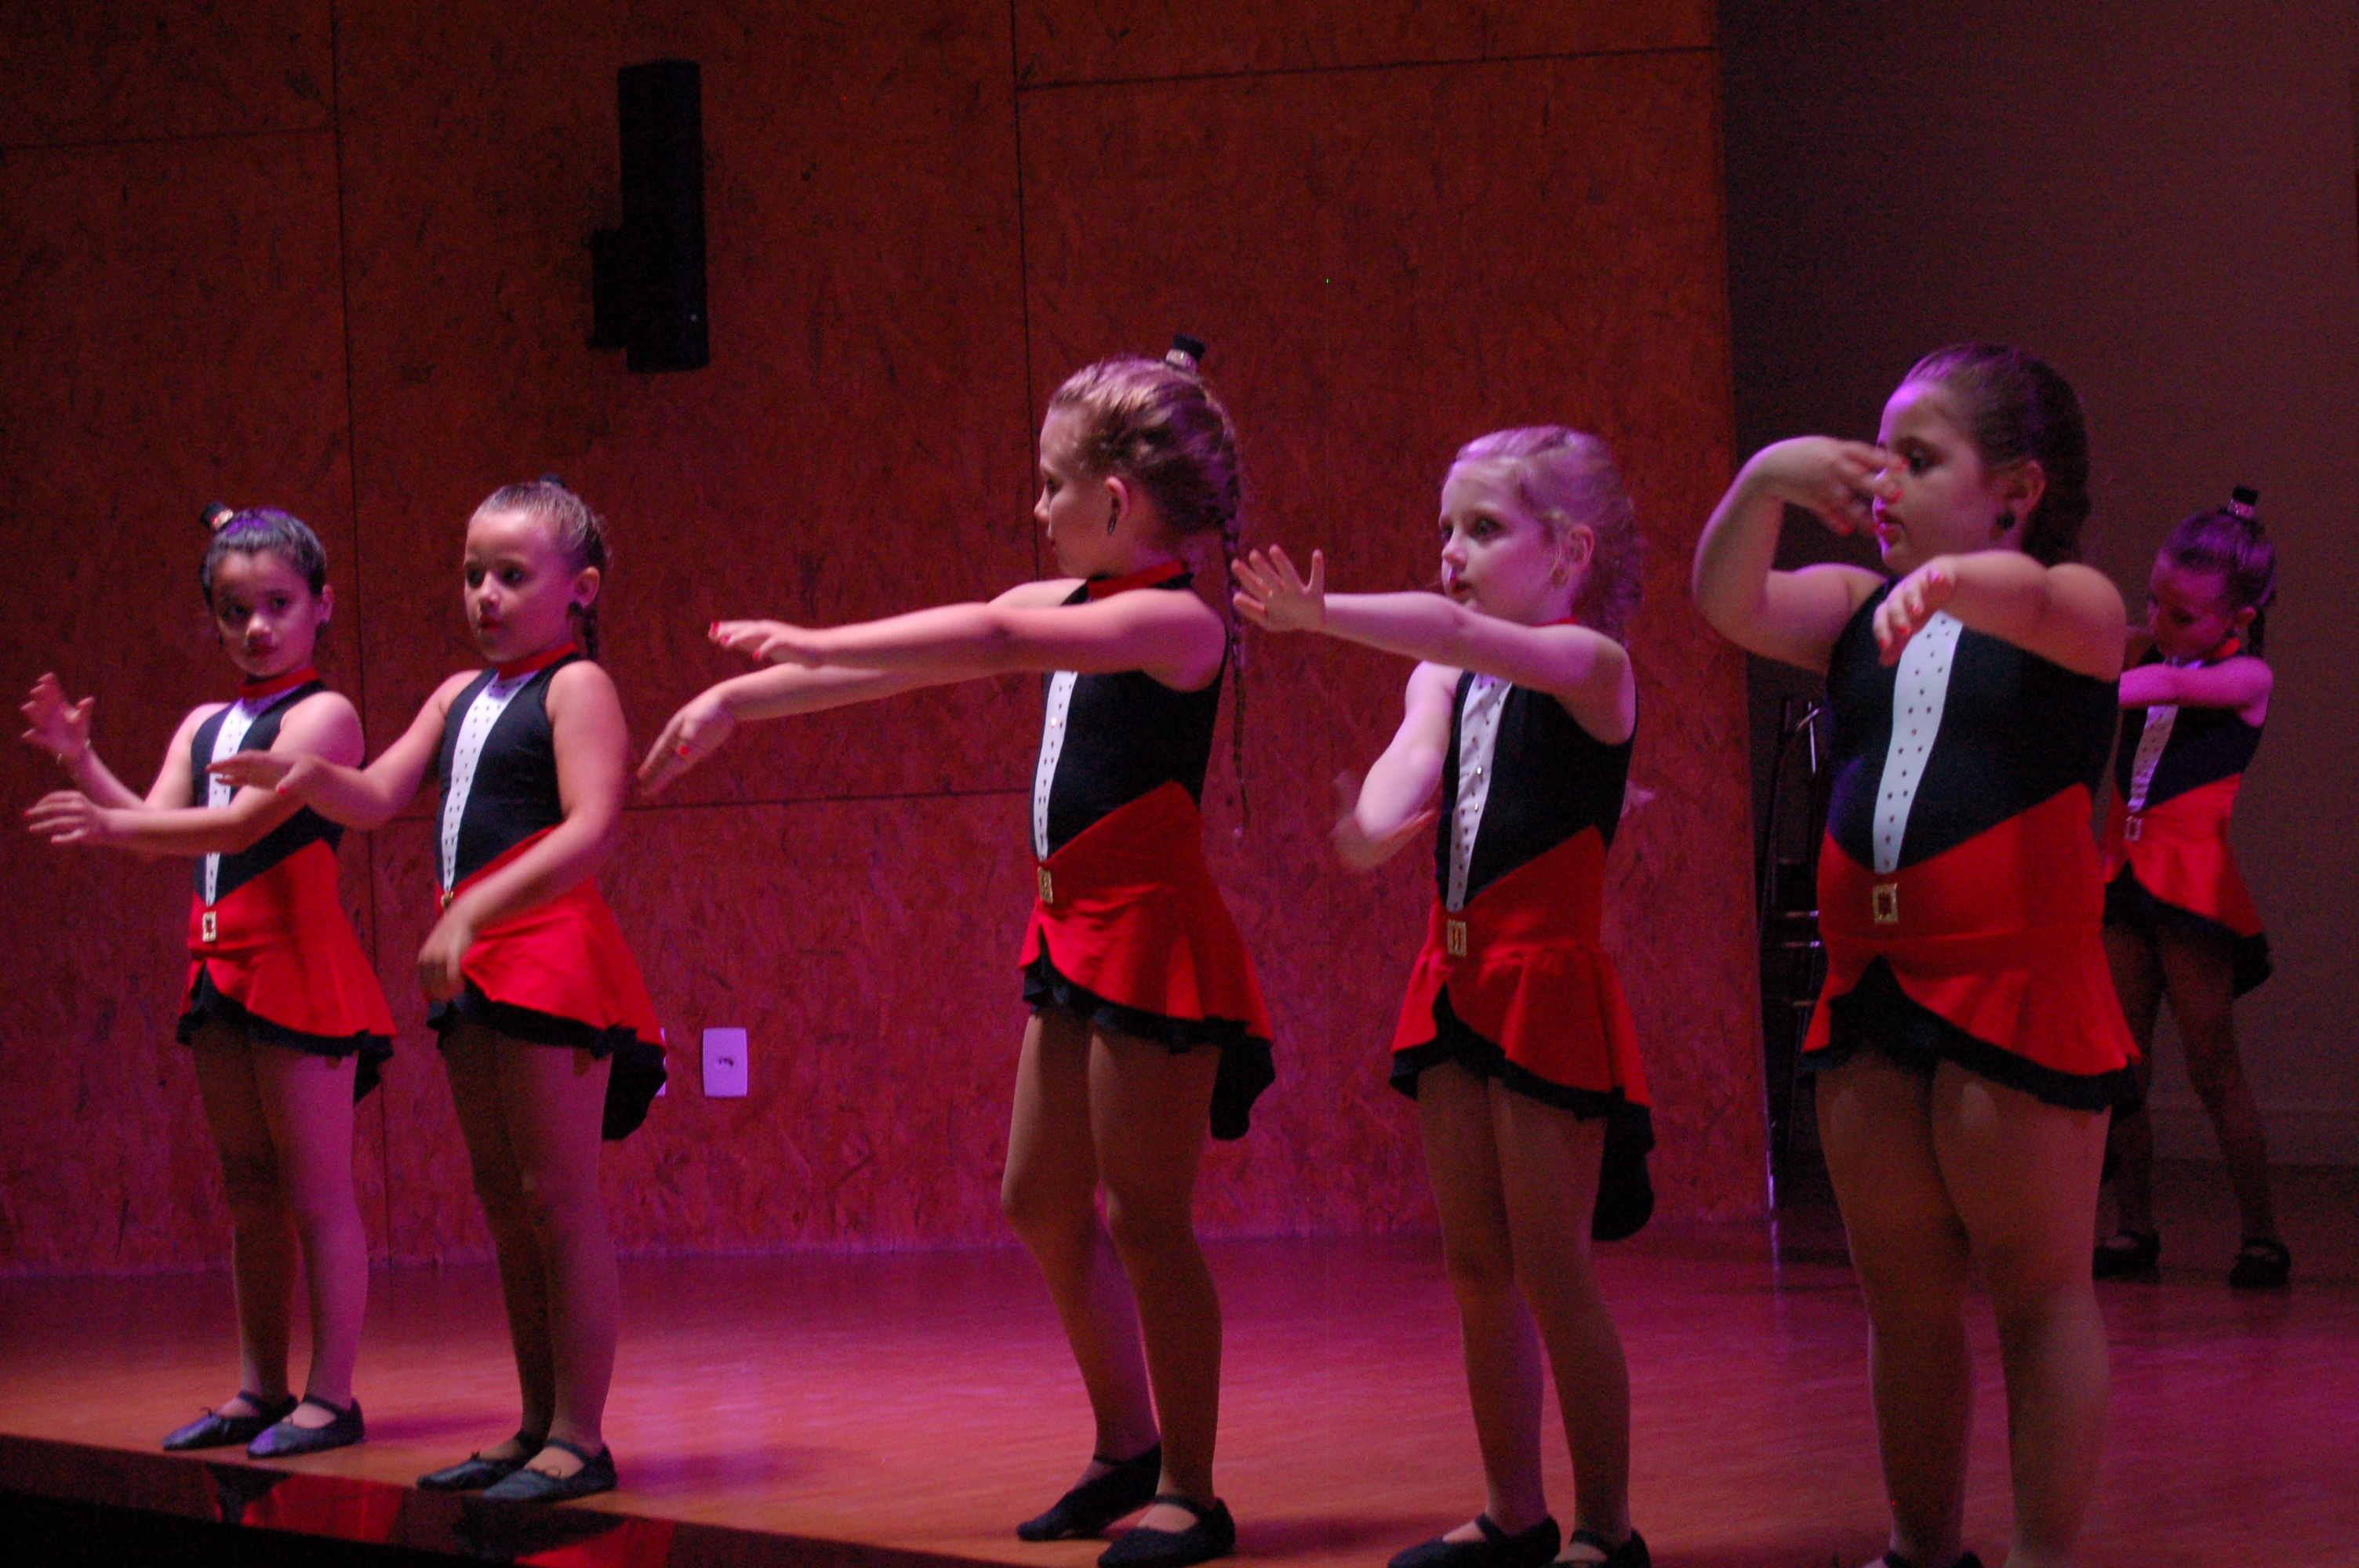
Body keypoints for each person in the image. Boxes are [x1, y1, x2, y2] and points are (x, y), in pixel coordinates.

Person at [640, 342, 1268, 1568]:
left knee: (1148, 1216)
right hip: (1072, 933)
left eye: (1049, 486)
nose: (1035, 509)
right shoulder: (1077, 607)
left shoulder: (1177, 622)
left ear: (1115, 501)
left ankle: (1192, 1491)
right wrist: (741, 704)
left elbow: (982, 634)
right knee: (1039, 1198)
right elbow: (925, 662)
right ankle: (1126, 1446)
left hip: (1151, 937)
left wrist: (812, 634)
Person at [1692, 344, 2135, 1568]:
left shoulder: (2076, 603)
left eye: (1921, 460)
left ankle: (2043, 1555)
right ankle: (1921, 1547)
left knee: (2039, 1296)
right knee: (1904, 1303)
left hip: (2012, 986)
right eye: (1880, 456)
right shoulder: (1856, 607)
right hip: (1874, 989)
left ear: (2018, 491)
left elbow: (2033, 604)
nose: (1886, 481)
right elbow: (1729, 602)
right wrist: (1763, 483)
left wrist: (1950, 580)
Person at [1230, 426, 1649, 1568]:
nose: (1451, 550)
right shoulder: (1440, 674)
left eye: (1482, 528)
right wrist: (1367, 827)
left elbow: (1457, 631)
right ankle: (1514, 1510)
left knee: (1555, 1269)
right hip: (1454, 976)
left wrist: (1321, 615)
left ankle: (1606, 1528)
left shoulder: (1592, 667)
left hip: (1544, 983)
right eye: (1444, 529)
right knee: (1476, 1266)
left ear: (1568, 552)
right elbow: (1409, 761)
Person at [210, 479, 665, 1503]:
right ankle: (535, 1424)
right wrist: (305, 779)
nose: (485, 596)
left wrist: (469, 913)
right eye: (472, 576)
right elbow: (377, 795)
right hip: (476, 967)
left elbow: (593, 825)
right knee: (507, 1204)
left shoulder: (578, 688)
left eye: (512, 576)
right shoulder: (458, 694)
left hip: (549, 957)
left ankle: (580, 1438)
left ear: (581, 589)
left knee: (559, 1201)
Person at [23, 505, 393, 1458]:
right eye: (235, 611)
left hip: (299, 968)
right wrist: (82, 760)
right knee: (249, 1190)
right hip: (218, 969)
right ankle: (259, 1387)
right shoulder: (203, 723)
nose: (257, 626)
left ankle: (332, 1395)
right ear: (214, 619)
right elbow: (157, 829)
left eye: (278, 604)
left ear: (322, 605)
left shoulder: (325, 716)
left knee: (316, 1189)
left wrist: (112, 825)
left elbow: (234, 828)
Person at [2093, 488, 2284, 1287]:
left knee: (2213, 1066)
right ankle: (2133, 1226)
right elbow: (2089, 647)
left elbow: (2167, 689)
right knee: (2122, 1066)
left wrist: (2088, 685)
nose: (2159, 624)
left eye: (2182, 615)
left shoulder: (2245, 675)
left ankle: (2261, 1235)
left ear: (2237, 617)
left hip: (2190, 886)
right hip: (2122, 874)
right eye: (2152, 603)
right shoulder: (2146, 649)